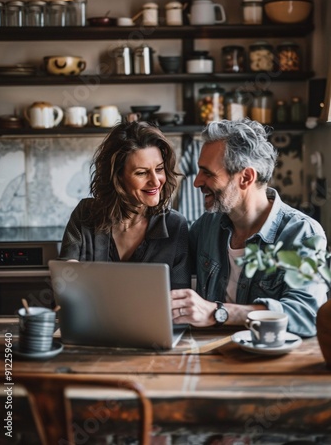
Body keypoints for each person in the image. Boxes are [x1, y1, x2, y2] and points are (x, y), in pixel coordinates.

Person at [171, 118, 328, 337]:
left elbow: (306, 315)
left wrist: (218, 313)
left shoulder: (301, 233)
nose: (196, 182)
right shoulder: (207, 225)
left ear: (245, 177)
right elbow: (171, 267)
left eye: (208, 173)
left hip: (271, 362)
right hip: (211, 356)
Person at [59, 120, 191, 290]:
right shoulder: (85, 214)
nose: (155, 181)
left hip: (150, 318)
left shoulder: (175, 225)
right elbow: (65, 282)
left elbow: (180, 298)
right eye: (142, 173)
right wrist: (68, 274)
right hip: (92, 317)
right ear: (118, 176)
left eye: (159, 169)